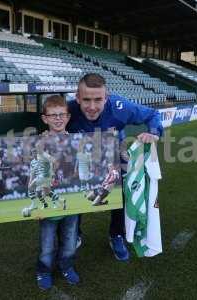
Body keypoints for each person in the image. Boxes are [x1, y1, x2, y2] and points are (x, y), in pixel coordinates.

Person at [67, 73, 163, 261]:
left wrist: (153, 133)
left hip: (114, 155)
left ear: (107, 97)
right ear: (77, 98)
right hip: (81, 157)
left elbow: (153, 114)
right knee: (75, 195)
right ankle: (74, 234)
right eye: (86, 99)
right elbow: (46, 124)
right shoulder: (68, 110)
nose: (92, 106)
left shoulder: (120, 107)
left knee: (120, 195)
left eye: (98, 99)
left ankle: (116, 234)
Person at [35, 95, 80, 290]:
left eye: (62, 114)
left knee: (70, 241)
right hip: (48, 204)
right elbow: (34, 172)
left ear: (68, 117)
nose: (58, 118)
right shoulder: (38, 142)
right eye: (53, 115)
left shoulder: (77, 140)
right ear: (44, 118)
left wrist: (108, 140)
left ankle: (66, 266)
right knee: (47, 245)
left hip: (71, 203)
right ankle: (44, 270)